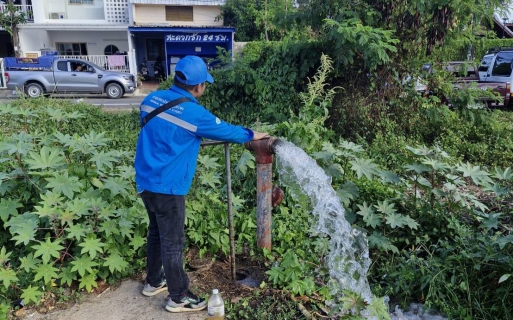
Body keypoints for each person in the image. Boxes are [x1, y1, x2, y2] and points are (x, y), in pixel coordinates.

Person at [134, 55, 268, 313]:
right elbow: (228, 130)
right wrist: (253, 135)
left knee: (156, 233)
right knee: (173, 242)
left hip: (145, 180)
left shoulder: (150, 100)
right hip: (168, 186)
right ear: (198, 87)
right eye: (204, 84)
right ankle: (178, 296)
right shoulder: (195, 113)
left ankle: (153, 281)